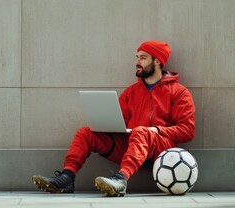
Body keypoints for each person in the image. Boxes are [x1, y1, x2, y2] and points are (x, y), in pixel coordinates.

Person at [32, 40, 196, 197]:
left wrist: (156, 130)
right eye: (137, 57)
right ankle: (67, 178)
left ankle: (121, 180)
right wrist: (106, 124)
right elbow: (121, 122)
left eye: (143, 57)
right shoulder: (131, 92)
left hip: (161, 151)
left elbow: (188, 131)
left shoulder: (179, 92)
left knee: (141, 132)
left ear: (158, 61)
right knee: (86, 133)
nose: (137, 61)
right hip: (132, 145)